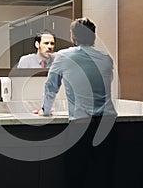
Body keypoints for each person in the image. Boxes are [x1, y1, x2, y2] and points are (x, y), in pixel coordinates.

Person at [39, 18, 117, 188]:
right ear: (93, 37)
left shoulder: (63, 57)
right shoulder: (106, 59)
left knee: (76, 175)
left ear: (73, 37)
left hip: (82, 124)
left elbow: (51, 86)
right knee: (103, 176)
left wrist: (45, 110)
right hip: (107, 123)